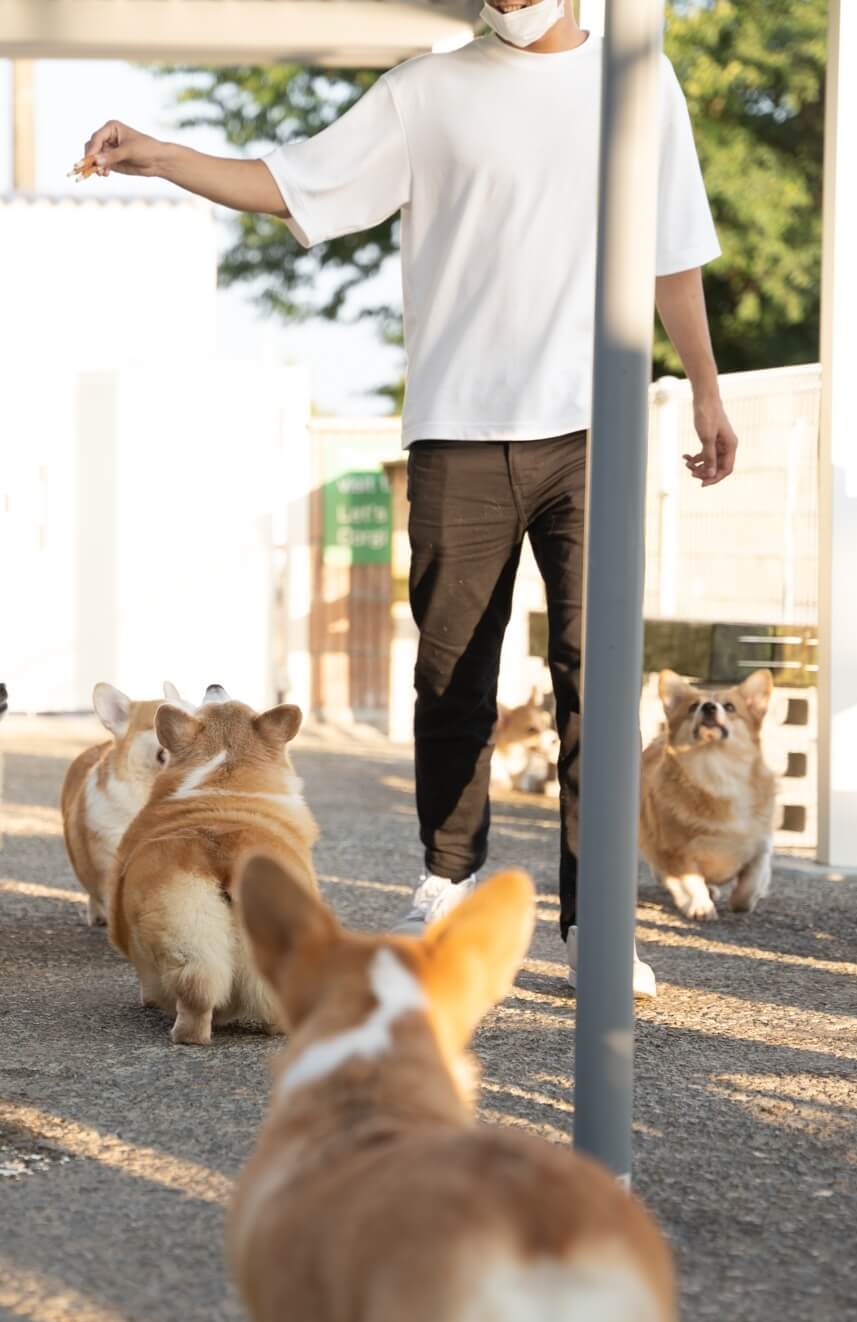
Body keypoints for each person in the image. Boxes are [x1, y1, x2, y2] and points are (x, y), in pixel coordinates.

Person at [82, 0, 737, 996]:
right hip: (456, 429)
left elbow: (670, 251)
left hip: (590, 425)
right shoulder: (426, 91)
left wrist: (702, 386)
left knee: (590, 676)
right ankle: (446, 876)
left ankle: (593, 921)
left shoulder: (636, 80)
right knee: (451, 675)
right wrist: (164, 155)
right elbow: (290, 180)